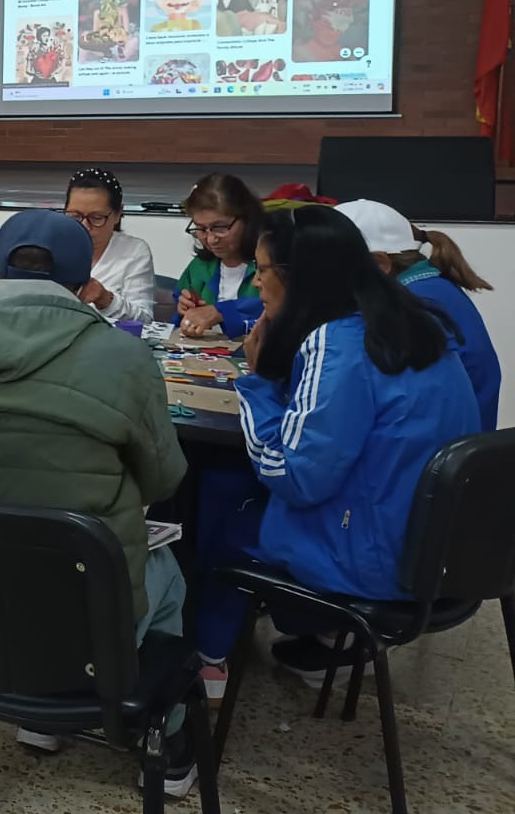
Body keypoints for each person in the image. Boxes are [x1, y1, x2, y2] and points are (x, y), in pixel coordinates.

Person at [0, 210, 195, 794]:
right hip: (80, 621)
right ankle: (169, 747)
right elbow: (163, 480)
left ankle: (39, 718)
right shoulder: (124, 358)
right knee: (169, 582)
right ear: (87, 290)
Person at [196, 204, 479, 687]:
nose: (257, 285)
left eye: (262, 271)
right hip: (433, 553)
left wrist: (260, 382)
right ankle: (303, 639)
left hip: (372, 562)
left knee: (217, 496)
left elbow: (295, 476)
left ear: (300, 277)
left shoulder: (336, 341)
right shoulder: (415, 321)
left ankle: (203, 664)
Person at [338, 199, 500, 432]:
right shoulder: (431, 286)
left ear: (380, 263)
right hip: (462, 452)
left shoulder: (412, 306)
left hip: (438, 455)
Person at [175, 172, 264, 336]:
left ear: (247, 219)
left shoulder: (269, 265)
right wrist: (185, 311)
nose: (211, 239)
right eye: (201, 229)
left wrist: (221, 312)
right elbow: (176, 324)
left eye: (220, 227)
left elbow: (280, 313)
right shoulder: (199, 267)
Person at [63, 168, 155, 323]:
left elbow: (144, 320)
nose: (85, 225)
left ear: (118, 214)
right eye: (75, 216)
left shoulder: (134, 251)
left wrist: (105, 299)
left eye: (96, 217)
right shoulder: (53, 245)